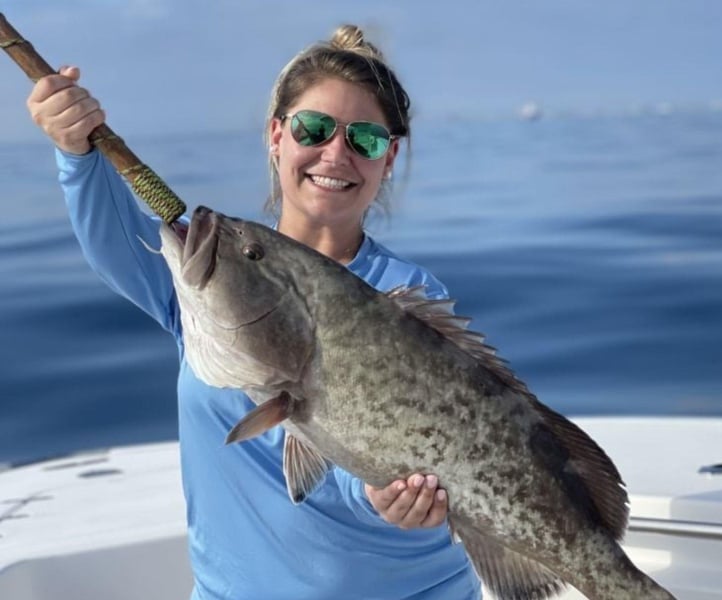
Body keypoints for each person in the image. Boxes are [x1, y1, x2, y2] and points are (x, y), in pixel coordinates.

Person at [26, 24, 482, 600]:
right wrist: (77, 154)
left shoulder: (406, 294)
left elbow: (371, 458)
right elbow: (116, 241)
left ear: (388, 159)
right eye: (313, 129)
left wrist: (383, 498)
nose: (335, 154)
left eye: (364, 140)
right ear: (276, 136)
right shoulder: (219, 275)